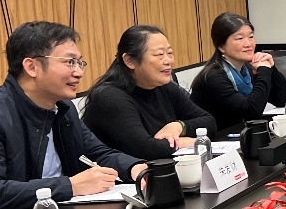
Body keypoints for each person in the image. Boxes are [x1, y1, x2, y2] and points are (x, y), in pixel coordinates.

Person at [0, 22, 147, 209]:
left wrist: (137, 169)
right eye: (69, 62)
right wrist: (70, 186)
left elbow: (97, 153)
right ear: (32, 67)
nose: (79, 72)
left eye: (80, 62)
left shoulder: (63, 109)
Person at [83, 25, 216, 160]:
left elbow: (209, 122)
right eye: (159, 55)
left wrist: (179, 126)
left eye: (170, 53)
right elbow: (146, 149)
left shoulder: (165, 87)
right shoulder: (110, 97)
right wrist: (186, 142)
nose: (169, 61)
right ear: (129, 61)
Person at [190, 13, 286, 131]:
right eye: (240, 38)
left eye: (251, 37)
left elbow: (284, 100)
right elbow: (251, 111)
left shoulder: (247, 69)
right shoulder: (213, 77)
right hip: (218, 138)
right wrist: (263, 71)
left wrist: (270, 68)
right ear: (221, 46)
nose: (248, 44)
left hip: (242, 133)